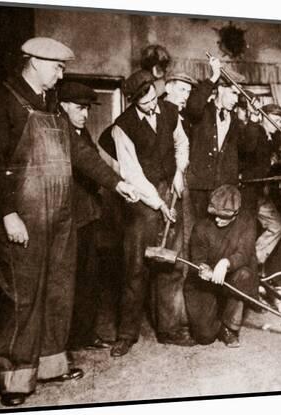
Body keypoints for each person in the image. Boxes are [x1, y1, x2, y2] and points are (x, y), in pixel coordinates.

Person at [0, 37, 137, 407]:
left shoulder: (52, 106)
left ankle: (51, 364)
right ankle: (14, 377)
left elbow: (82, 154)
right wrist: (7, 213)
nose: (61, 73)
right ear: (34, 61)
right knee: (22, 296)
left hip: (61, 217)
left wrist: (118, 183)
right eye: (57, 66)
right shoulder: (3, 101)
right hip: (23, 216)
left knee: (58, 290)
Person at [109, 69, 196, 357]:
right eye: (145, 103)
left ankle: (170, 329)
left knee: (172, 264)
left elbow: (181, 142)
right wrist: (158, 203)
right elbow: (131, 172)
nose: (152, 106)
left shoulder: (169, 111)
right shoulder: (122, 126)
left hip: (171, 189)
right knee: (136, 268)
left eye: (153, 99)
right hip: (142, 199)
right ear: (133, 101)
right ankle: (126, 334)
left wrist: (180, 171)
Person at [58, 81, 125, 351]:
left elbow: (94, 162)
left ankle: (84, 335)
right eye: (79, 108)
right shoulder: (62, 131)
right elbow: (87, 164)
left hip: (87, 216)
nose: (85, 114)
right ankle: (64, 343)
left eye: (87, 109)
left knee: (88, 278)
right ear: (62, 106)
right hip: (69, 217)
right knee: (69, 282)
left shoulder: (81, 132)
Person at [184, 185, 258, 347]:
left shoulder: (247, 222)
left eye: (222, 217)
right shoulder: (201, 227)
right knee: (204, 337)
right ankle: (216, 311)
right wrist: (202, 269)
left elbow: (245, 253)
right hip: (205, 283)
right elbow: (197, 259)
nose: (217, 219)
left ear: (235, 214)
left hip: (231, 276)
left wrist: (226, 263)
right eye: (214, 215)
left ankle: (229, 327)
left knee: (245, 275)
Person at [185, 57, 249, 222]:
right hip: (200, 185)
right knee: (200, 230)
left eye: (238, 95)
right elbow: (192, 105)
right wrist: (214, 77)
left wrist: (254, 121)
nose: (236, 100)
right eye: (233, 93)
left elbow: (247, 149)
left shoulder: (235, 120)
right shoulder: (202, 112)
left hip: (224, 187)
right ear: (220, 89)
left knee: (219, 235)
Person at [241, 104, 281, 273]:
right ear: (263, 117)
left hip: (260, 192)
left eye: (280, 122)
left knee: (277, 226)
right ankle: (247, 266)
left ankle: (252, 263)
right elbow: (248, 152)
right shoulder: (256, 133)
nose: (278, 125)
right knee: (247, 233)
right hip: (249, 192)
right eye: (275, 120)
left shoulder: (269, 138)